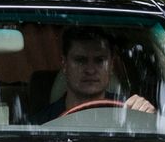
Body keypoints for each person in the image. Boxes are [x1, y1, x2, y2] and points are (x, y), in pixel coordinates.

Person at [28, 27, 156, 124]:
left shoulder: (131, 113)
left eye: (100, 60)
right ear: (65, 64)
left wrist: (150, 118)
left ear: (111, 65)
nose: (90, 70)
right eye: (81, 60)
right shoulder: (41, 123)